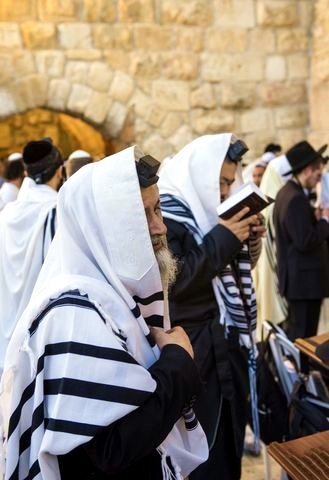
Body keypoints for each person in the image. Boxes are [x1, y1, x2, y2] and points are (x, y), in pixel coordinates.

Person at [0, 146, 208, 480]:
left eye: (158, 210)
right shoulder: (74, 315)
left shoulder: (108, 294)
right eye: (143, 217)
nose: (160, 228)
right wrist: (178, 361)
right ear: (104, 227)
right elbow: (112, 449)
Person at [158, 133, 265, 480]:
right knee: (204, 456)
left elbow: (227, 272)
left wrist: (246, 239)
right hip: (195, 354)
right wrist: (224, 238)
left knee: (228, 448)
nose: (223, 192)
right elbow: (175, 281)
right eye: (220, 181)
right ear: (201, 176)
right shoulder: (167, 214)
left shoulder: (208, 212)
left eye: (229, 183)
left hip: (224, 348)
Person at [0, 138, 65, 376]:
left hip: (4, 326)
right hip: (38, 335)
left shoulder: (6, 215)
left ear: (26, 171)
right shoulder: (56, 212)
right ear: (59, 171)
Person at [273, 140, 329, 341]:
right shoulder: (295, 197)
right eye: (317, 173)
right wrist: (325, 220)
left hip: (300, 283)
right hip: (303, 285)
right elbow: (304, 241)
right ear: (306, 170)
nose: (318, 179)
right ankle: (300, 373)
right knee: (303, 339)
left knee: (301, 335)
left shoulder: (288, 192)